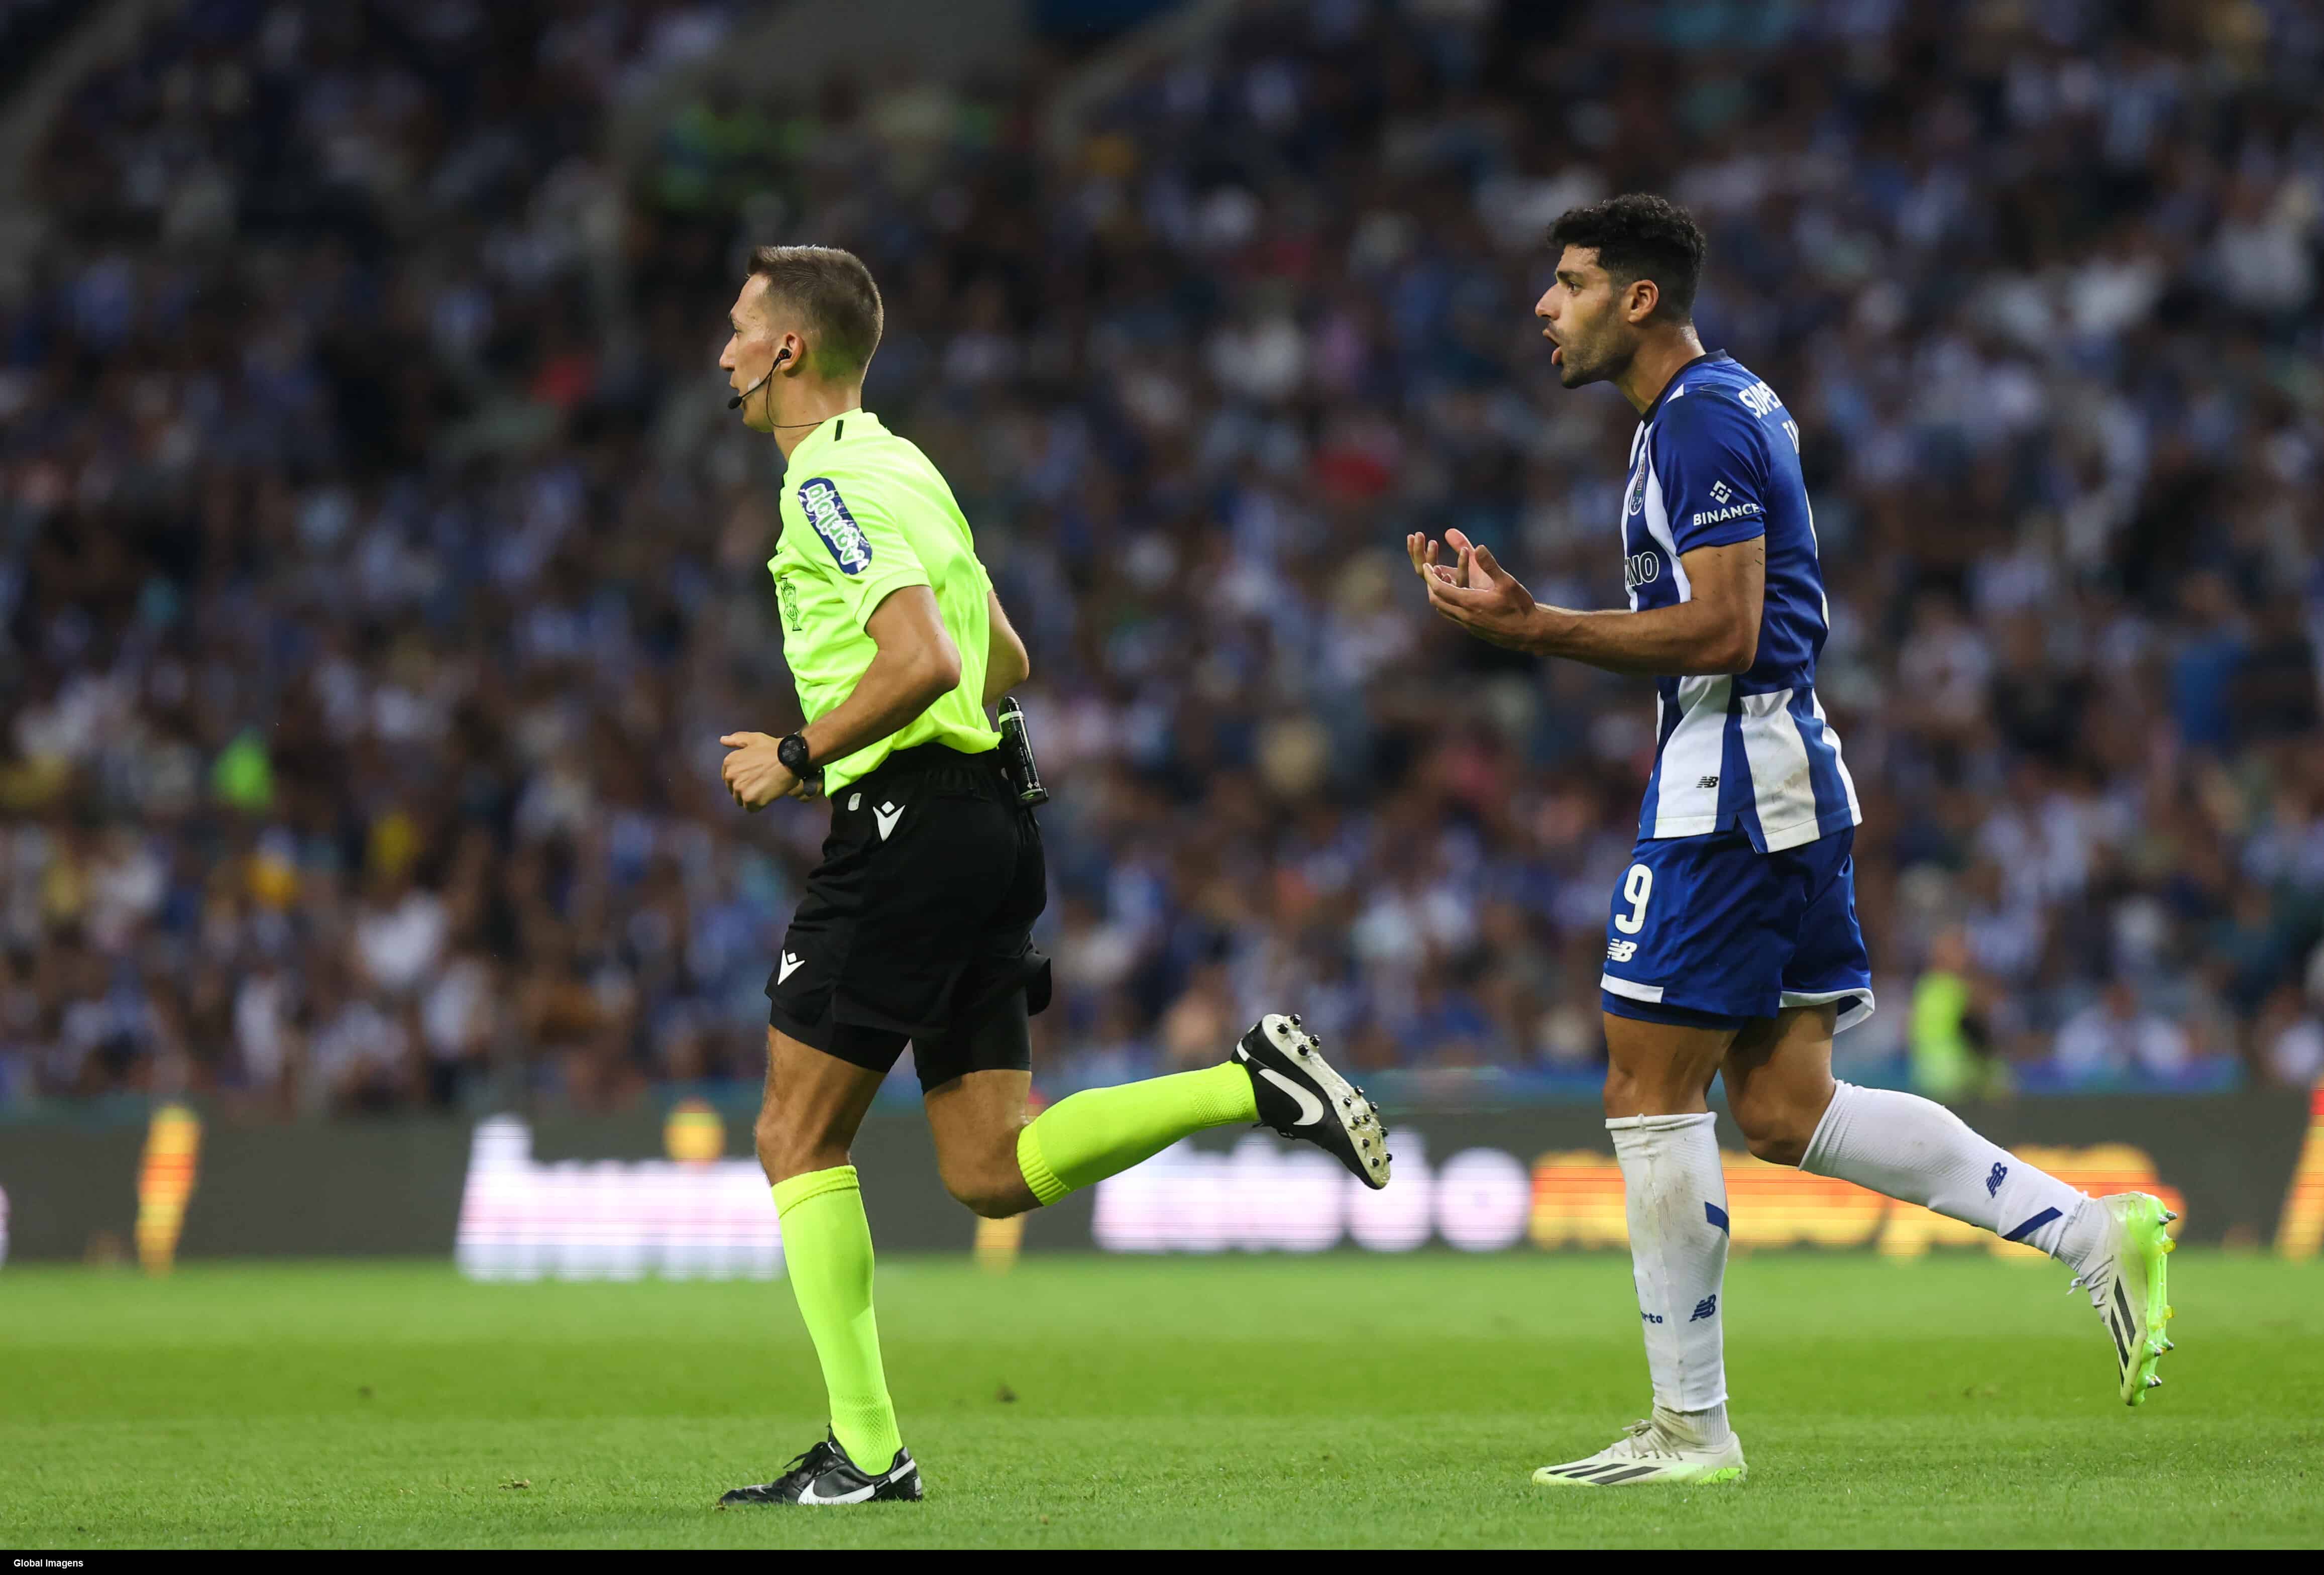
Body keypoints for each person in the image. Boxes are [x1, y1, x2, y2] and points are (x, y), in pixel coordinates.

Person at [1406, 195, 2177, 1488]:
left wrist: (1537, 629)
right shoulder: (1723, 404)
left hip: (1731, 783)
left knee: (1646, 1088)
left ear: (1636, 298)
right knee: (1781, 1105)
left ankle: (1689, 1429)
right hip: (1782, 774)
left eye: (1571, 282)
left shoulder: (1701, 418)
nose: (1546, 305)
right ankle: (2089, 1228)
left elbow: (1723, 628)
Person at [711, 245, 1389, 1507]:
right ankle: (1249, 1085)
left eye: (741, 327)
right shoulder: (905, 465)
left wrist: (805, 752)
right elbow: (1002, 655)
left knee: (794, 1132)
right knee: (988, 1164)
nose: (725, 351)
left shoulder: (822, 490)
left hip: (911, 827)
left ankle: (865, 1452)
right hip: (992, 818)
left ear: (788, 351)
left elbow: (922, 658)